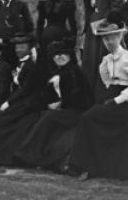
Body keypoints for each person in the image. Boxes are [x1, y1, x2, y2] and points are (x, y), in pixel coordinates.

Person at [67, 12, 128, 180]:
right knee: (90, 116)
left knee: (89, 117)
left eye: (112, 38)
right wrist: (110, 96)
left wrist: (117, 100)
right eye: (106, 39)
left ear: (120, 36)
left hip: (127, 101)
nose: (109, 42)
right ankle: (87, 166)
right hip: (112, 97)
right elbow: (107, 81)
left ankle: (81, 166)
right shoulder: (106, 60)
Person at [13, 39, 93, 172]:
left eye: (63, 54)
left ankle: (28, 155)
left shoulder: (74, 73)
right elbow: (46, 95)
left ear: (69, 56)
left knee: (48, 119)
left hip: (77, 112)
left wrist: (61, 104)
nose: (59, 57)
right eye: (56, 55)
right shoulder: (58, 72)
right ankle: (31, 156)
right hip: (63, 110)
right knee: (40, 117)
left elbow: (81, 98)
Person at [0, 34, 49, 167]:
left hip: (29, 104)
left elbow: (25, 90)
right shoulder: (19, 65)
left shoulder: (32, 66)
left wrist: (8, 103)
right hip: (20, 101)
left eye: (22, 47)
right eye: (17, 47)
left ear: (29, 48)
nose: (18, 50)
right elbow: (16, 88)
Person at [82, 0, 124, 100]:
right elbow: (90, 9)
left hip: (105, 32)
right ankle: (89, 97)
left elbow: (117, 9)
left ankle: (104, 98)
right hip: (92, 31)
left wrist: (105, 24)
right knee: (90, 64)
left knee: (103, 64)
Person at [36, 0, 77, 67]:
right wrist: (38, 40)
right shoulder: (44, 4)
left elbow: (73, 24)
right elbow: (40, 23)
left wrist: (71, 40)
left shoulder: (68, 4)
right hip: (46, 39)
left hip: (62, 37)